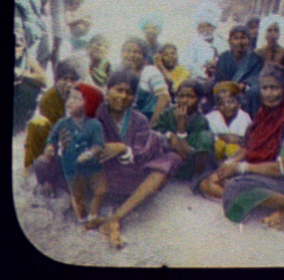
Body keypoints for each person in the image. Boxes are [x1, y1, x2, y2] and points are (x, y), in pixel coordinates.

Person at [33, 70, 182, 248]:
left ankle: (115, 217)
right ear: (107, 90)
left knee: (172, 159)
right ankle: (87, 208)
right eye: (118, 90)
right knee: (43, 163)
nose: (123, 96)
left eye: (129, 92)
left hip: (125, 179)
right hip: (94, 176)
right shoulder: (92, 111)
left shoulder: (140, 120)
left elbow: (140, 155)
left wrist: (122, 148)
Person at [216, 64, 284, 231]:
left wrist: (241, 167)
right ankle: (282, 206)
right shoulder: (264, 114)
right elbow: (248, 146)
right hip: (271, 175)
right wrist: (231, 162)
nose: (269, 94)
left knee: (234, 188)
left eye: (275, 88)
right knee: (226, 180)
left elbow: (282, 168)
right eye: (265, 88)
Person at [40, 83, 107, 227]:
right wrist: (50, 147)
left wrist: (90, 153)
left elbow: (99, 144)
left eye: (77, 99)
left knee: (101, 190)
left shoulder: (95, 125)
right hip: (71, 165)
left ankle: (93, 214)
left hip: (93, 165)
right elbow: (52, 138)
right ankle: (81, 218)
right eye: (70, 97)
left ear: (88, 104)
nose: (70, 101)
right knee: (77, 195)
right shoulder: (62, 123)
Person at [24, 60, 80, 169]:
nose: (69, 83)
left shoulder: (80, 96)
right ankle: (31, 167)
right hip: (52, 139)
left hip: (73, 141)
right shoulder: (49, 98)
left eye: (72, 79)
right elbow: (54, 129)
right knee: (37, 124)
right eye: (64, 79)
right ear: (57, 80)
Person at [154, 79, 213, 181]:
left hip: (188, 161)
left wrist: (181, 129)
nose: (185, 100)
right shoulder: (168, 113)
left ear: (199, 99)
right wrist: (169, 135)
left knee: (206, 137)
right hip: (166, 155)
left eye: (191, 97)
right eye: (181, 96)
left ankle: (197, 177)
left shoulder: (200, 120)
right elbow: (155, 133)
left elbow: (187, 153)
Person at [120, 37, 171, 126]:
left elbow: (164, 98)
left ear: (144, 56)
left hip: (148, 121)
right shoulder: (118, 73)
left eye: (136, 52)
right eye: (127, 51)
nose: (131, 55)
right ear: (121, 54)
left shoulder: (150, 71)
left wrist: (151, 126)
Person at [215, 25, 263, 119]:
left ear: (249, 41)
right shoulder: (224, 57)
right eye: (236, 38)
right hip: (227, 89)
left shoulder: (255, 58)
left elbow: (256, 77)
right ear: (230, 42)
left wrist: (244, 85)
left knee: (254, 92)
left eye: (243, 38)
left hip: (247, 90)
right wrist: (230, 87)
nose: (239, 42)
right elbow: (220, 77)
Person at [205, 81, 252, 162]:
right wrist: (222, 136)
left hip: (237, 159)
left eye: (230, 102)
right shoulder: (211, 117)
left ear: (238, 104)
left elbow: (246, 140)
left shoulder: (244, 117)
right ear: (216, 106)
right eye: (221, 103)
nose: (226, 106)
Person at [13, 27, 47, 135]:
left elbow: (45, 80)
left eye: (17, 45)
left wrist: (23, 73)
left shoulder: (28, 60)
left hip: (19, 103)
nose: (15, 48)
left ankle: (20, 127)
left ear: (23, 47)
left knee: (29, 90)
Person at [182, 2, 228, 77]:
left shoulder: (222, 42)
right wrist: (204, 70)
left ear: (213, 27)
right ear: (197, 29)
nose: (205, 30)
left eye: (208, 26)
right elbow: (189, 64)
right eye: (202, 27)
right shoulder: (193, 44)